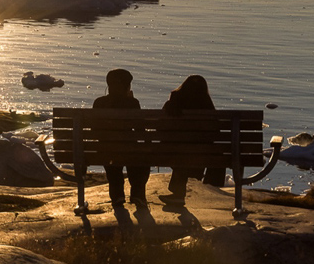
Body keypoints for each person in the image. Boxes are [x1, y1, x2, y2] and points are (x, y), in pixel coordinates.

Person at [161, 74, 223, 203]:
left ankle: (178, 193)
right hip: (199, 154)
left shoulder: (172, 104)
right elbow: (216, 132)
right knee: (195, 150)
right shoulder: (207, 108)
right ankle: (180, 192)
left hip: (172, 151)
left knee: (181, 151)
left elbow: (159, 126)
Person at [93, 69, 150, 207]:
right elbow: (140, 130)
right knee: (136, 156)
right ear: (127, 86)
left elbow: (94, 130)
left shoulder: (99, 103)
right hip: (129, 150)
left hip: (106, 150)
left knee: (113, 160)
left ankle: (117, 195)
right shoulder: (133, 103)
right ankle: (137, 195)